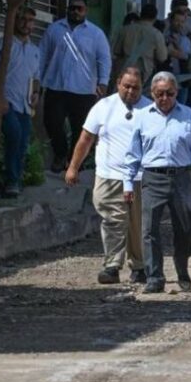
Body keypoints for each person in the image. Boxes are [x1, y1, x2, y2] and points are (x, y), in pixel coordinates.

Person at [123, 71, 191, 294]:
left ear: (177, 93)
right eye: (160, 94)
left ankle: (182, 268)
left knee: (184, 227)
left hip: (181, 177)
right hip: (153, 177)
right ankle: (155, 276)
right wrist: (127, 183)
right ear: (152, 93)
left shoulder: (188, 114)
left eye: (170, 93)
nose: (165, 98)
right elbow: (133, 153)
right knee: (149, 229)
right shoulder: (143, 116)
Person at [65, 67, 153, 285]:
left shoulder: (151, 110)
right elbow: (86, 139)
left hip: (140, 178)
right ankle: (112, 265)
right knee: (113, 220)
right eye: (127, 86)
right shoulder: (103, 107)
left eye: (136, 87)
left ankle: (139, 266)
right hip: (109, 175)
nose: (131, 91)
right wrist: (73, 167)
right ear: (118, 84)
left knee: (138, 224)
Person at [39, 0, 111, 172]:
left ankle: (73, 161)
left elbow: (104, 59)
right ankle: (60, 153)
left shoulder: (96, 34)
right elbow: (41, 56)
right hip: (56, 86)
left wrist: (103, 81)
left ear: (85, 11)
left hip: (83, 90)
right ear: (67, 10)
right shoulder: (54, 30)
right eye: (72, 8)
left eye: (79, 8)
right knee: (51, 123)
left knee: (81, 129)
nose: (75, 11)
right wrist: (37, 80)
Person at [0, 7, 42, 199]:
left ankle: (14, 183)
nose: (26, 23)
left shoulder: (34, 51)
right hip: (6, 103)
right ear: (14, 20)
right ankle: (11, 180)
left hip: (25, 105)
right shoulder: (3, 44)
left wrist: (36, 93)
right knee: (14, 134)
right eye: (22, 19)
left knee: (22, 143)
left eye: (30, 20)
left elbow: (36, 77)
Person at [111, 4, 167, 90]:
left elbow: (116, 51)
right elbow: (162, 57)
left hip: (124, 71)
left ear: (141, 14)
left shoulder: (125, 30)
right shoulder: (156, 34)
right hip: (144, 74)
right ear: (155, 17)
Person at [165, 11, 191, 106]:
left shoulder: (185, 40)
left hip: (182, 80)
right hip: (166, 79)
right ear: (171, 21)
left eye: (182, 21)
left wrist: (176, 46)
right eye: (177, 21)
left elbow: (186, 57)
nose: (179, 24)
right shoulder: (164, 37)